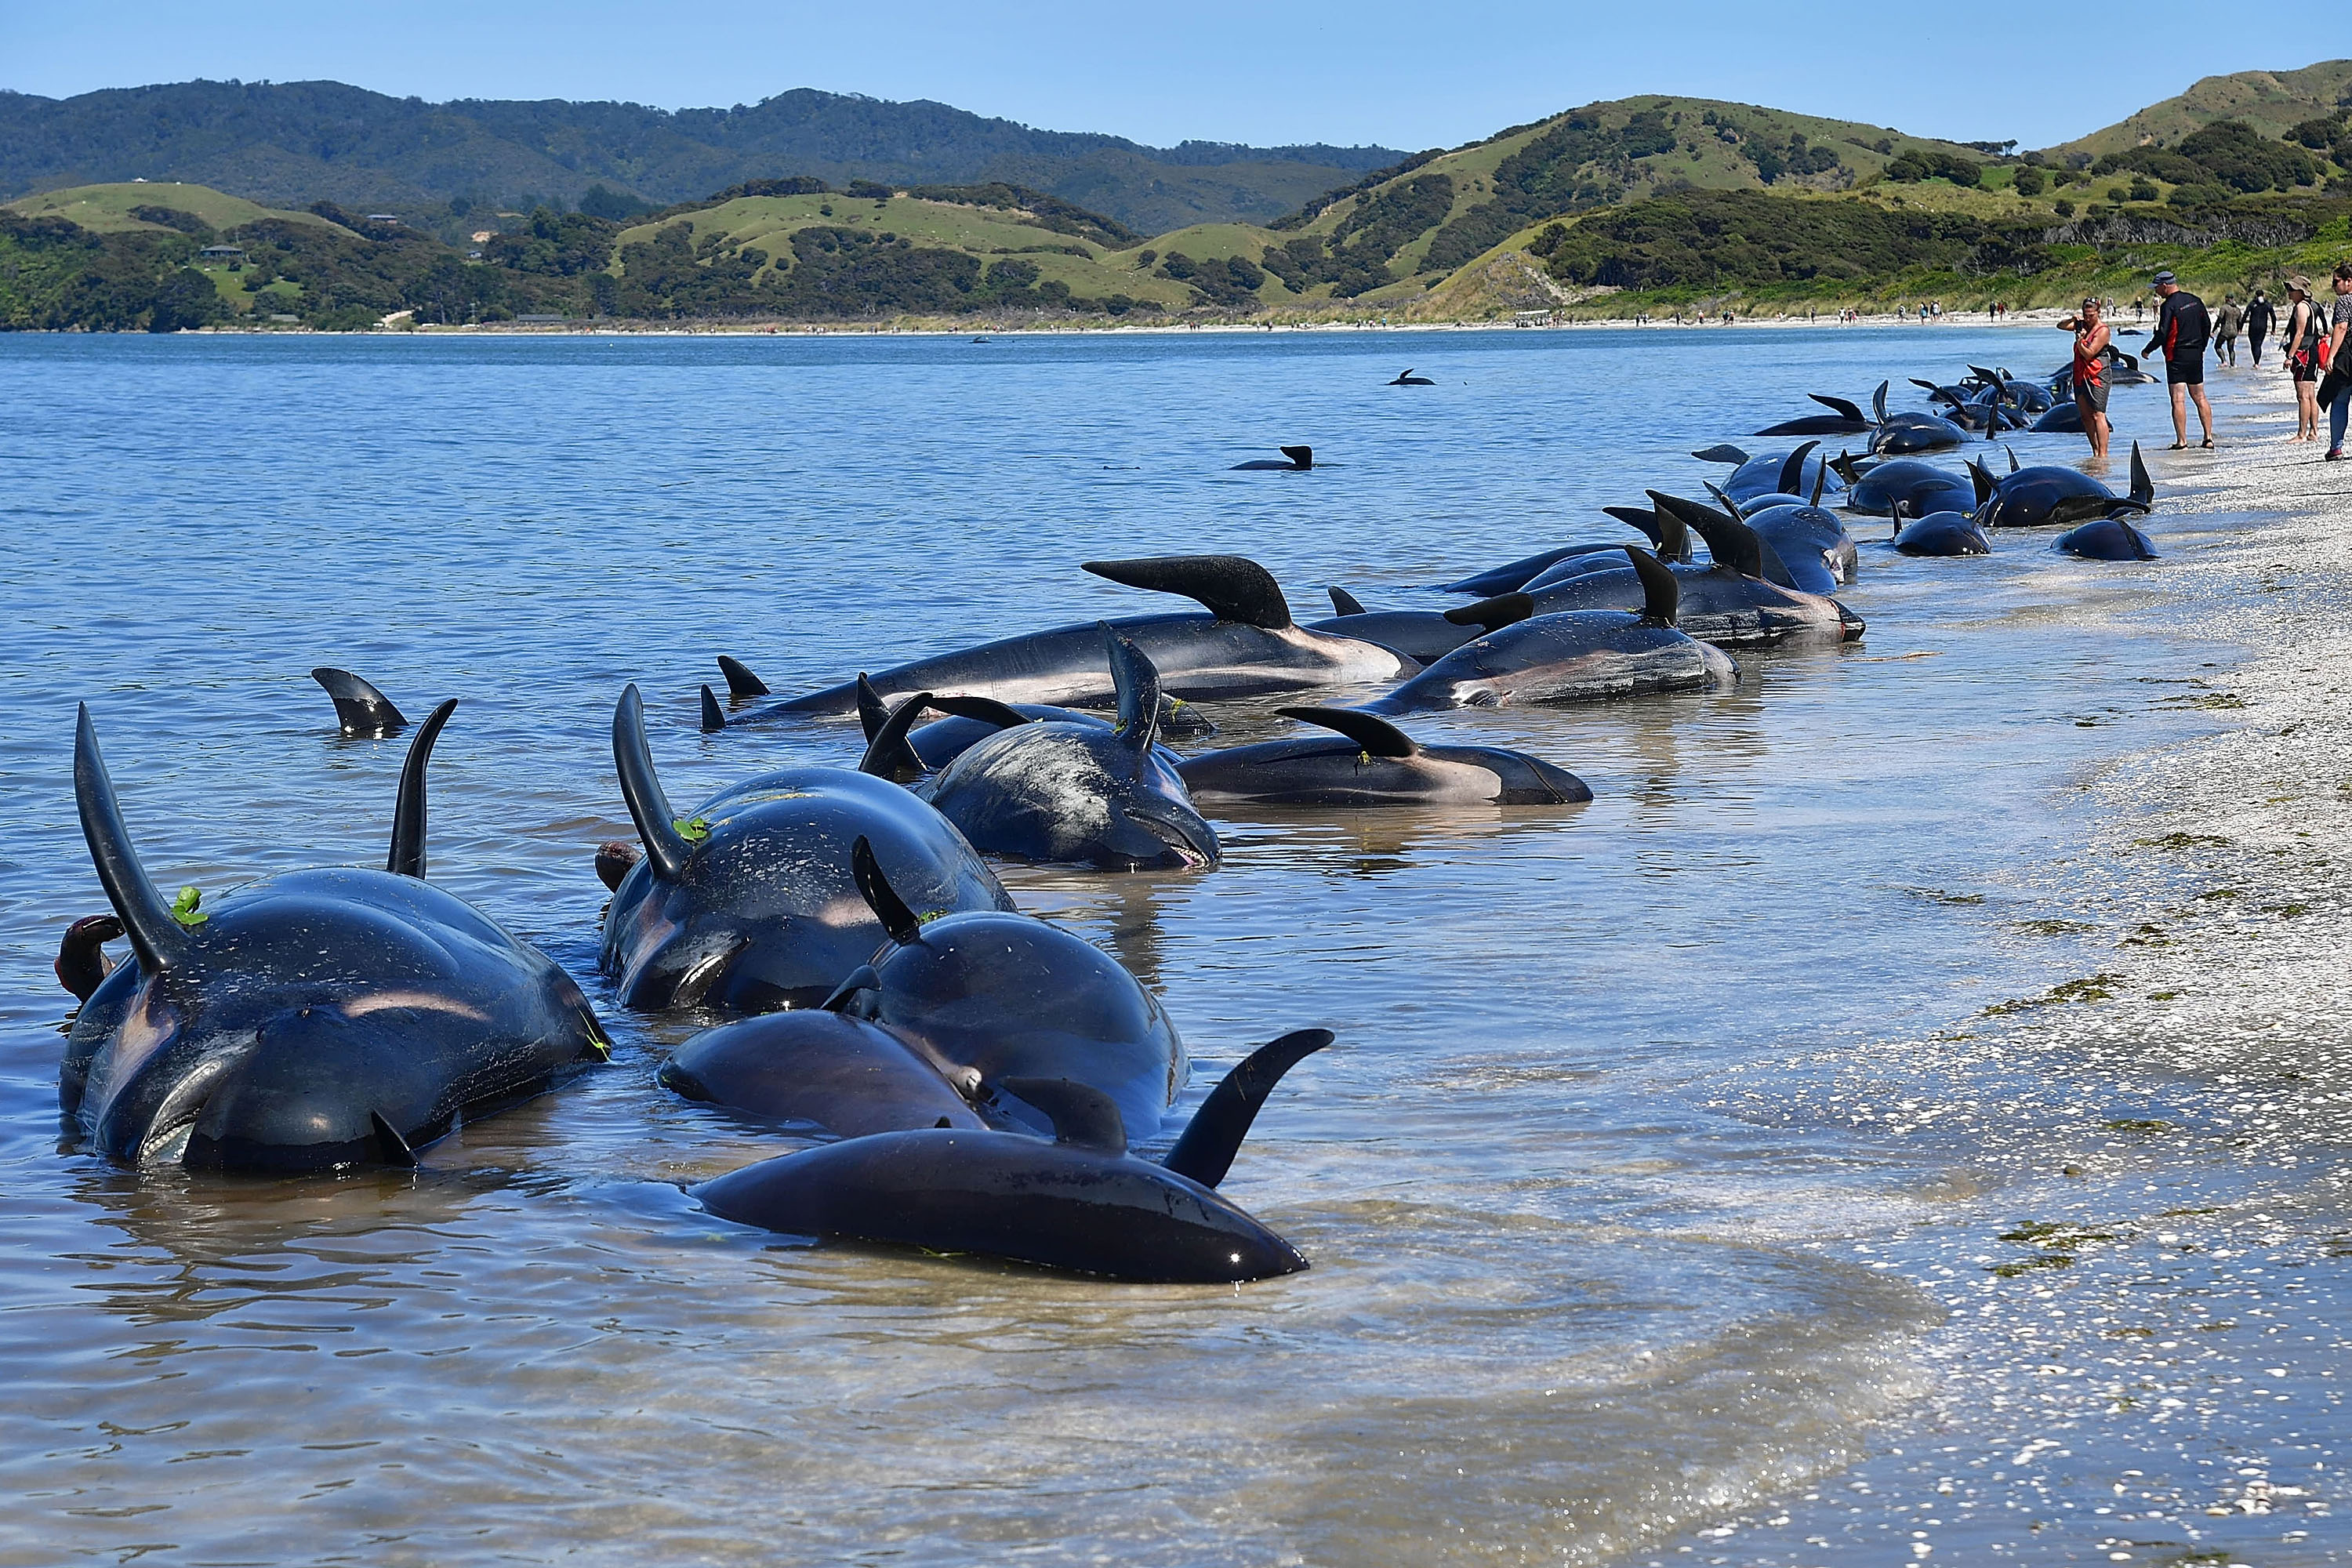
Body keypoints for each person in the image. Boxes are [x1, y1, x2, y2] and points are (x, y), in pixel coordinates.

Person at [2147, 270, 2214, 448]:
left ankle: (2182, 441)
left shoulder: (2169, 305)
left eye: (2157, 288)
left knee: (2178, 399)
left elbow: (2163, 333)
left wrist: (2148, 350)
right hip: (2195, 355)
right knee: (2200, 397)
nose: (2156, 292)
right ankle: (2208, 438)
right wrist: (2202, 347)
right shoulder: (2195, 300)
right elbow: (2207, 326)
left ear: (2165, 285)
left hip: (2176, 356)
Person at [2057, 297, 2112, 459]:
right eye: (2085, 315)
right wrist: (2073, 320)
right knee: (2085, 415)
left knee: (2098, 413)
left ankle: (2103, 453)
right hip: (2080, 374)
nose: (2088, 319)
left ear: (2098, 313)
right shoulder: (2081, 326)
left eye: (2091, 315)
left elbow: (2089, 353)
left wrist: (2080, 340)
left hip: (2097, 374)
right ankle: (2095, 451)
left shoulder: (2103, 331)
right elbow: (2060, 326)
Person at [2285, 277, 2324, 442]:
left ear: (2300, 292)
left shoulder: (2301, 307)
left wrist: (2290, 356)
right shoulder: (2312, 306)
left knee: (2303, 396)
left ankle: (2302, 434)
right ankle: (2313, 432)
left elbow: (2300, 333)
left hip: (2304, 353)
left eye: (2291, 290)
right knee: (2310, 395)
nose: (2289, 294)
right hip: (2312, 350)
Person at [2324, 263, 2352, 460]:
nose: (2334, 287)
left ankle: (2336, 447)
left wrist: (2331, 356)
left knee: (2340, 400)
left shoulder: (2344, 301)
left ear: (2349, 282)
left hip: (2348, 357)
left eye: (2336, 282)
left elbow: (2341, 327)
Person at [2246, 289, 2274, 366]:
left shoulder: (2252, 304)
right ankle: (2257, 363)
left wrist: (2240, 326)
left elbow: (2245, 314)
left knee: (2253, 345)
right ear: (2263, 295)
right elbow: (2273, 316)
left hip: (2253, 326)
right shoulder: (2267, 304)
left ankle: (2256, 362)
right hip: (2263, 327)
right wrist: (2273, 329)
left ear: (2256, 295)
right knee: (2258, 344)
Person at [2214, 295, 2243, 365]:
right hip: (2234, 331)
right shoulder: (2237, 310)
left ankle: (2224, 361)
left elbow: (2220, 318)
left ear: (2226, 299)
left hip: (2225, 331)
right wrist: (2239, 329)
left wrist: (2214, 329)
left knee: (2217, 346)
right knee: (2231, 349)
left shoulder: (2224, 308)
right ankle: (2232, 364)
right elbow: (2240, 321)